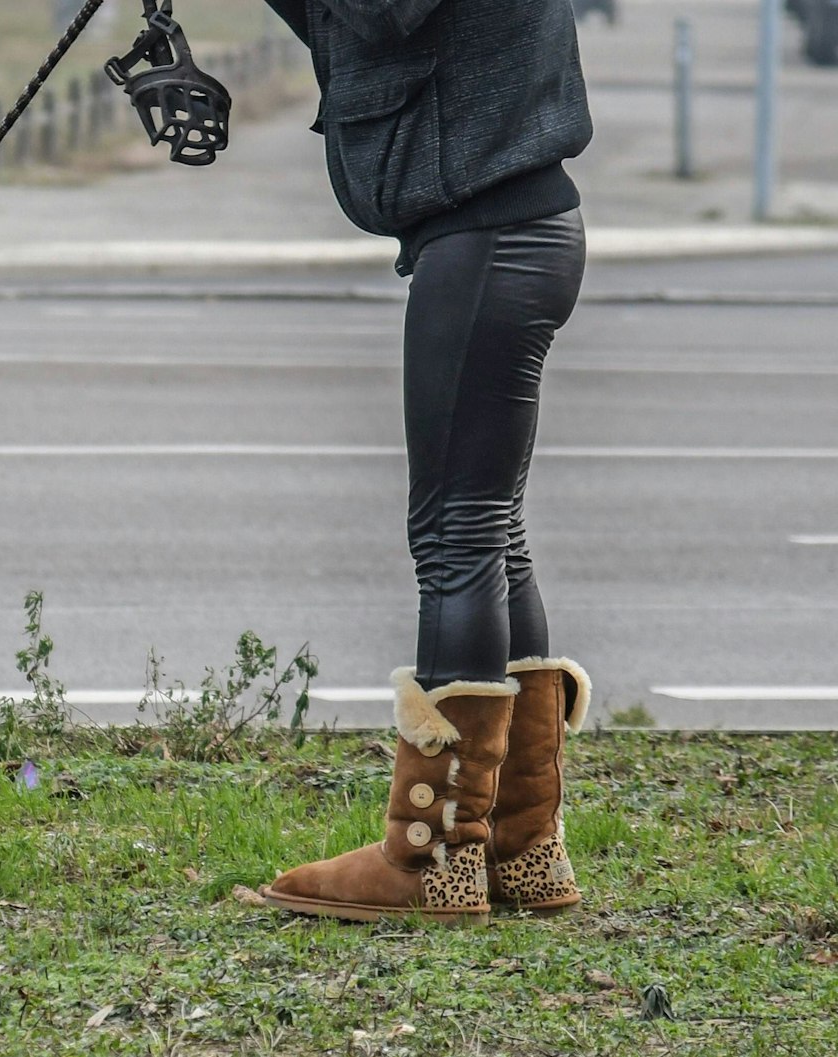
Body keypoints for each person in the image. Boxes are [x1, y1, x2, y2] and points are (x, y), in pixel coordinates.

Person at [253, 0, 596, 924]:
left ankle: (432, 855)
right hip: (522, 229)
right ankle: (521, 843)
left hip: (489, 239)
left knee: (456, 536)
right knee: (491, 533)